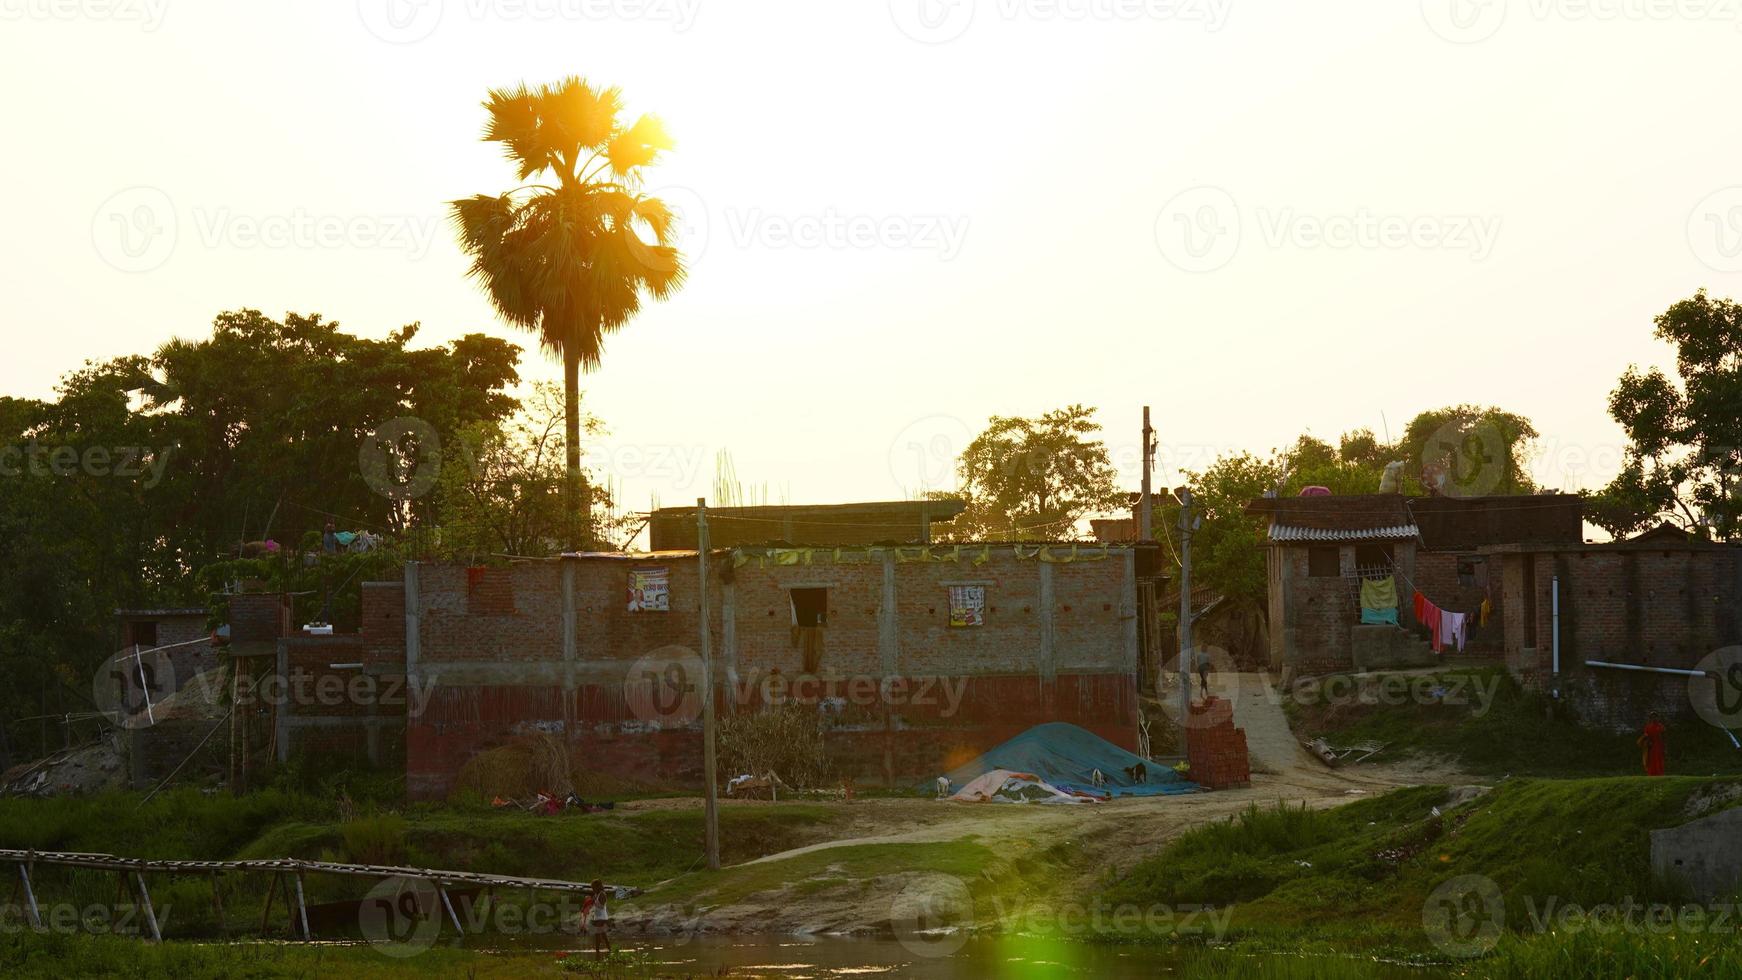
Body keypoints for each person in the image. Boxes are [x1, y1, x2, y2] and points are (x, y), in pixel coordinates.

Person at [582, 879, 611, 960]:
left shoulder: (602, 894)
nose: (592, 889)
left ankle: (597, 952)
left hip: (602, 917)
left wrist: (593, 901)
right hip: (597, 917)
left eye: (593, 887)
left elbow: (601, 906)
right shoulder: (596, 895)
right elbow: (594, 905)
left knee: (597, 934)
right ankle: (610, 950)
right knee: (603, 935)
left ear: (598, 886)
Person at [1638, 712, 1667, 777]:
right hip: (1651, 746)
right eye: (1652, 717)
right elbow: (1646, 736)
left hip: (1659, 745)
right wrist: (1648, 742)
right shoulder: (1648, 727)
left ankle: (1660, 773)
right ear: (1650, 718)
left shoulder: (1661, 726)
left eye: (1655, 716)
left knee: (1659, 759)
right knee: (1651, 760)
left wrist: (1665, 747)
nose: (1654, 718)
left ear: (1657, 717)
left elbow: (1664, 737)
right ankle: (1651, 773)